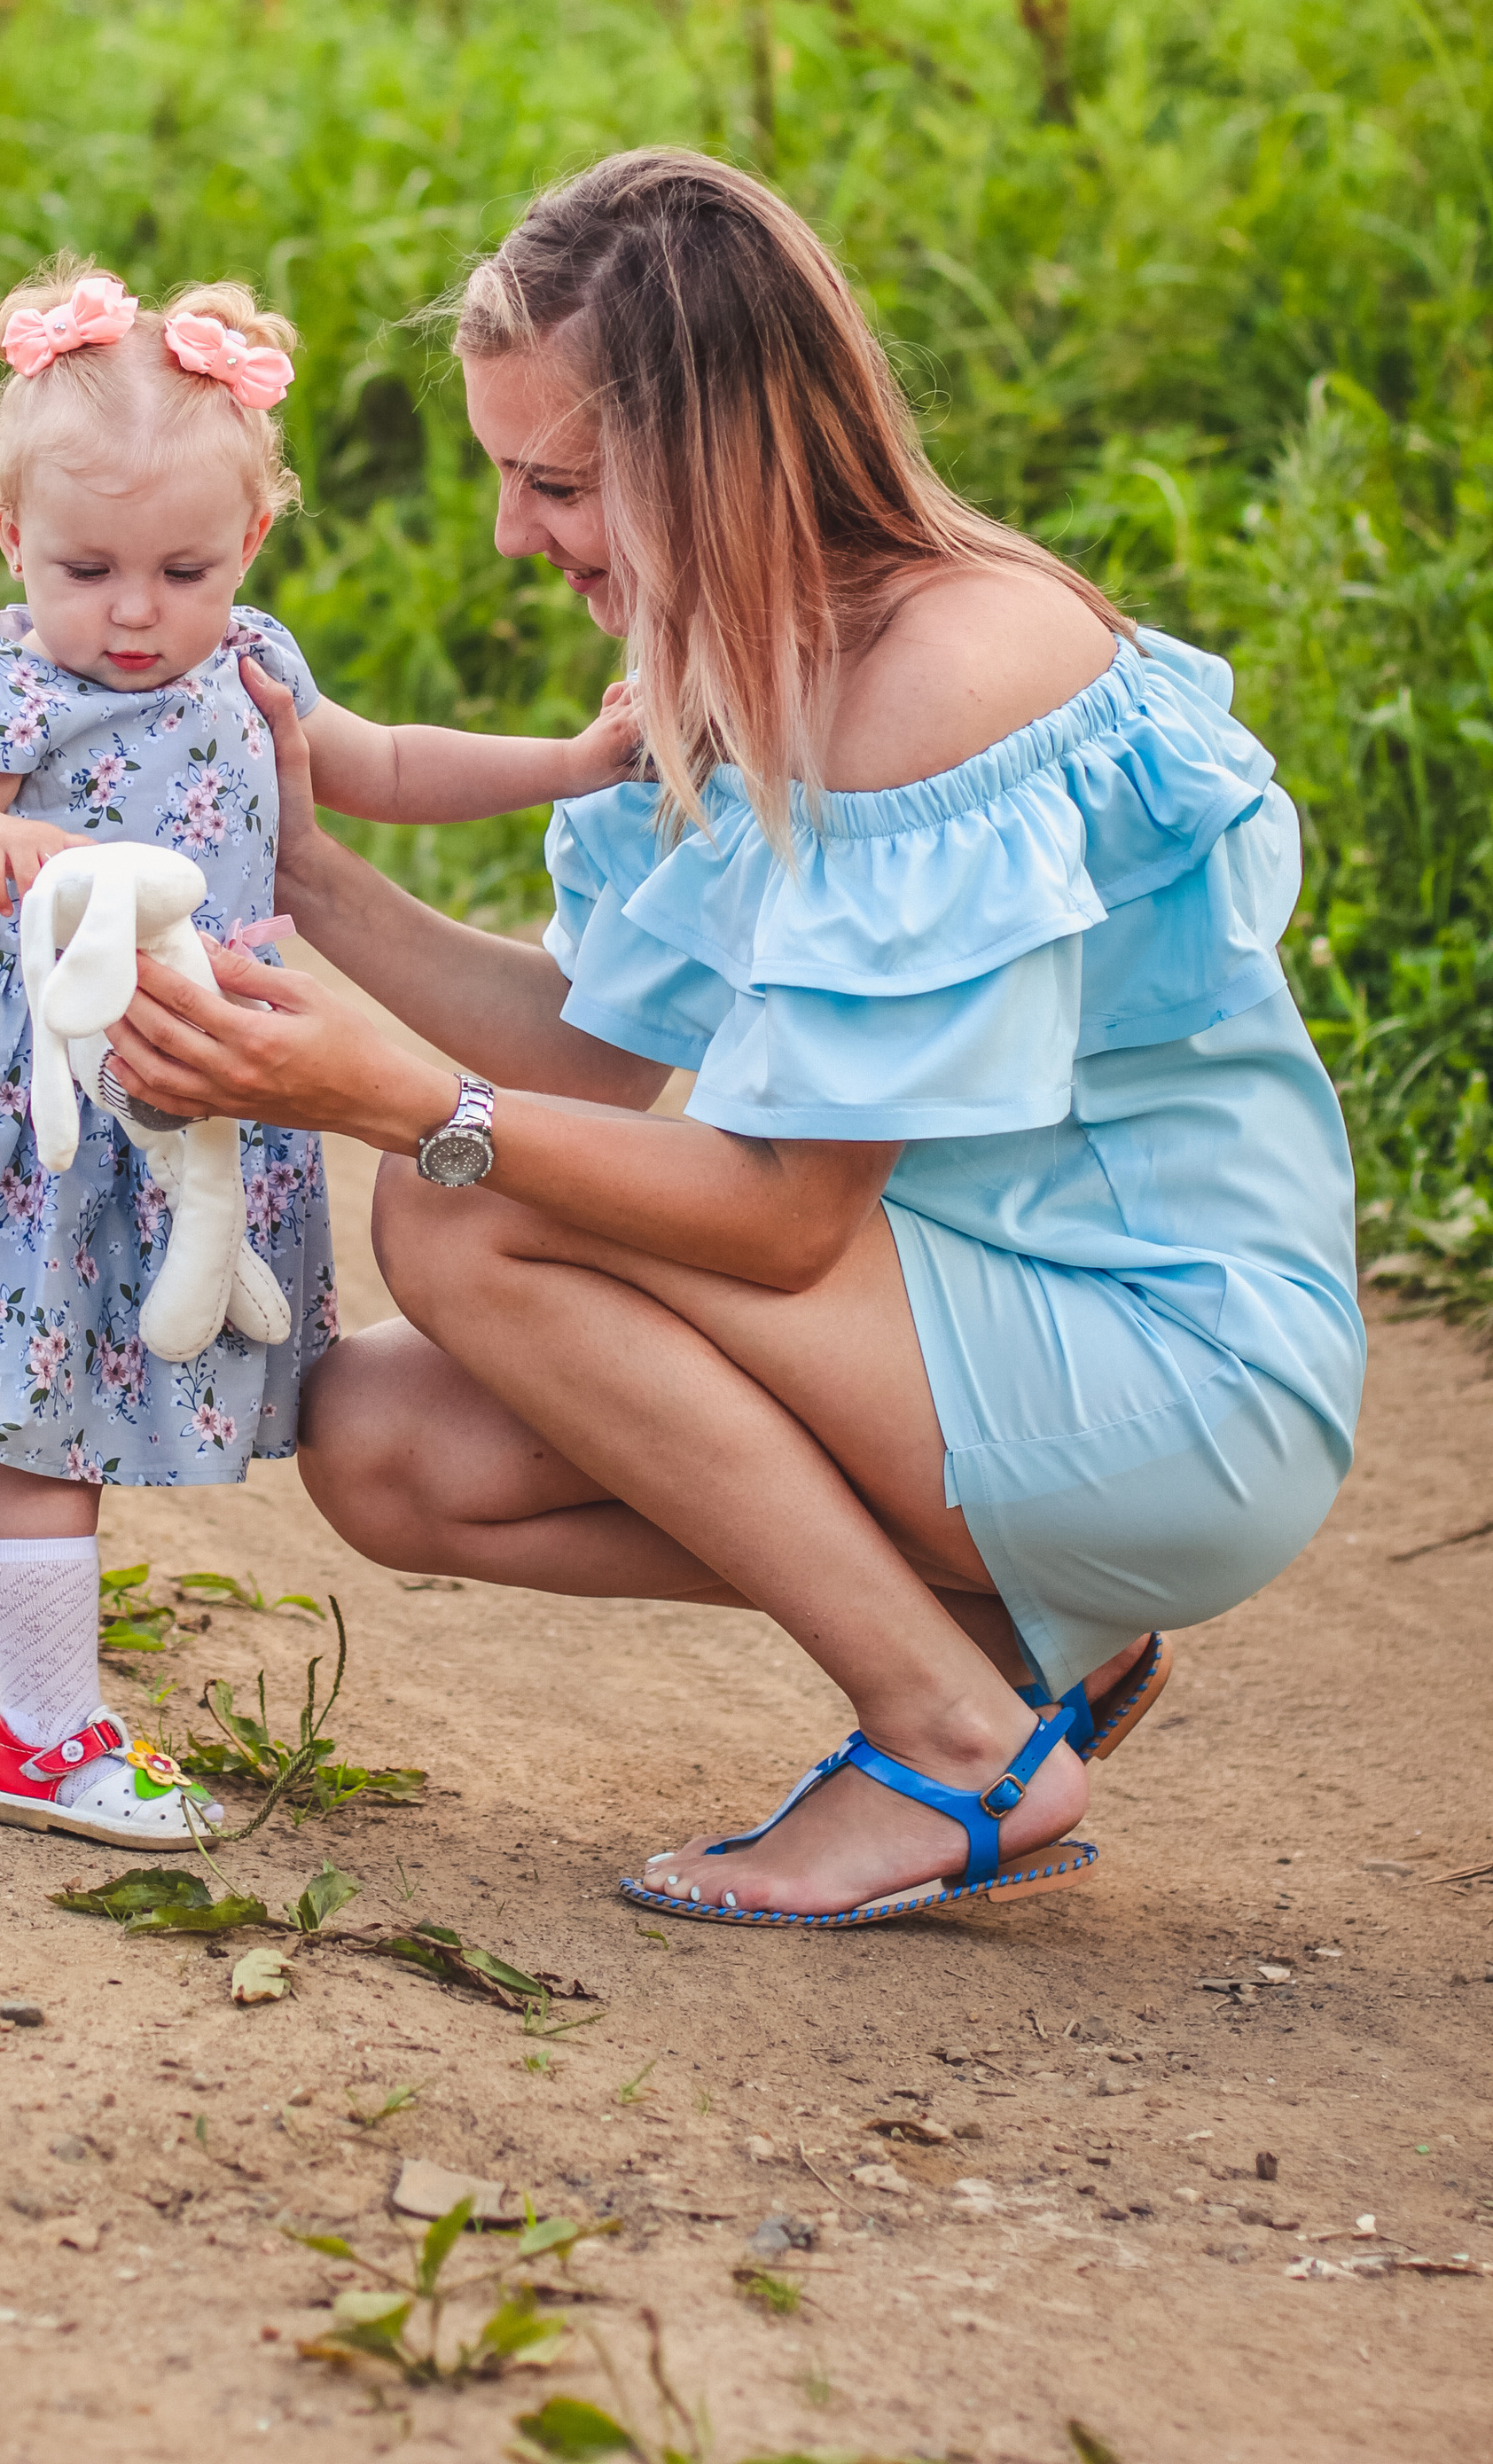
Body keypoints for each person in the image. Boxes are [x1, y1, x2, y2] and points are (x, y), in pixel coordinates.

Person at [98, 150, 1367, 1930]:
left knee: (458, 1203)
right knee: (383, 1440)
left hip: (1170, 1364)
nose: (509, 535)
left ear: (711, 455)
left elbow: (778, 1221)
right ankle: (1024, 1643)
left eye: (553, 482)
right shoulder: (751, 647)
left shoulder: (945, 675)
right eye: (502, 474)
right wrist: (299, 870)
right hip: (975, 1332)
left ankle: (948, 1742)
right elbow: (591, 1054)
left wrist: (396, 1103)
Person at [0, 260, 637, 1848]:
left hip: (188, 1092)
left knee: (7, 1416)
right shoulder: (1, 681)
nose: (136, 612)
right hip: (31, 1108)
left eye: (183, 568)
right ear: (11, 539)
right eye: (90, 567)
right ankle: (51, 1739)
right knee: (47, 1418)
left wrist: (577, 761)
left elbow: (386, 766)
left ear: (250, 543)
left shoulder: (246, 662)